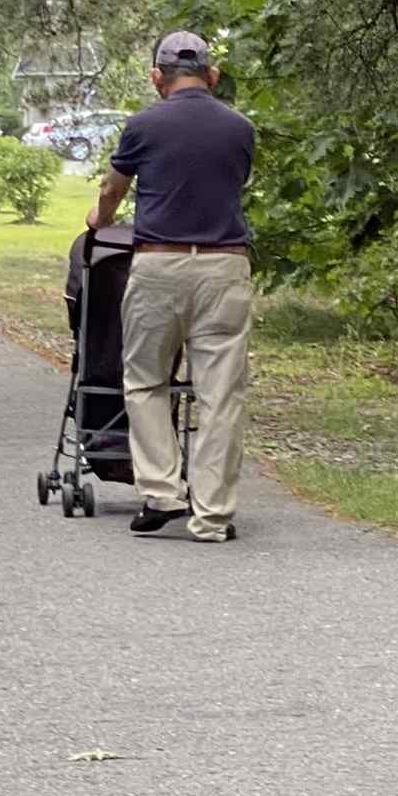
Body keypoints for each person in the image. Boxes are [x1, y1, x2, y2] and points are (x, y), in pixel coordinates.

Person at [88, 29, 256, 543]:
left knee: (144, 380)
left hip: (158, 266)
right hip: (224, 268)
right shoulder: (240, 128)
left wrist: (101, 218)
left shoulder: (142, 125)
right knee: (220, 395)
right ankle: (212, 517)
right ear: (212, 75)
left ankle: (162, 492)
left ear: (157, 77)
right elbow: (235, 183)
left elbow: (113, 188)